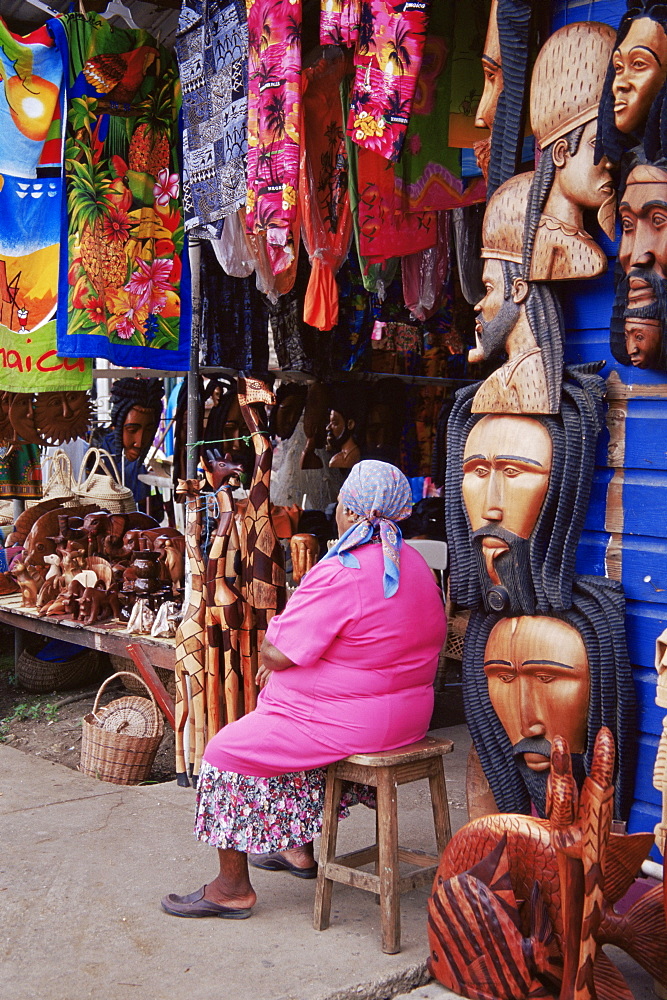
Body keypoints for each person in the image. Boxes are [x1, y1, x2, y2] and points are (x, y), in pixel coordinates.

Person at [161, 460, 447, 919]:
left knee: (225, 752)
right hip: (409, 717)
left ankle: (231, 888)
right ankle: (296, 850)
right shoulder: (414, 564)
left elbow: (277, 652)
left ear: (351, 513)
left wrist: (280, 653)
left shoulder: (344, 569)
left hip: (355, 725)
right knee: (277, 728)